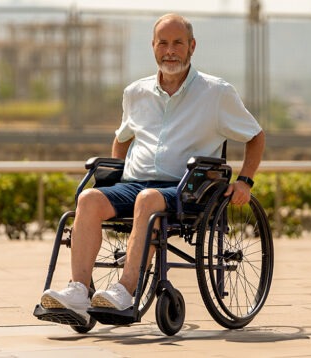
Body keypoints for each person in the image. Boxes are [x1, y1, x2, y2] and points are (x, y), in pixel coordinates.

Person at [40, 13, 266, 315]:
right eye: (163, 43)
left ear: (192, 47)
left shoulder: (216, 93)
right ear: (153, 46)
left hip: (186, 190)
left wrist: (245, 180)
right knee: (89, 198)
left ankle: (124, 291)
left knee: (149, 200)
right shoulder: (136, 93)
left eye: (177, 43)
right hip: (135, 185)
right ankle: (78, 292)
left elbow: (255, 135)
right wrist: (115, 174)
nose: (170, 51)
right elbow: (122, 138)